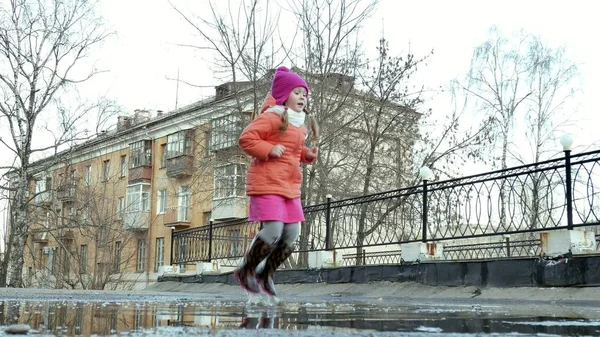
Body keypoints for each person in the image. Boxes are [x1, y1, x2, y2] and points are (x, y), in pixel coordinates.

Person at [235, 66, 319, 296]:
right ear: (284, 95)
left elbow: (294, 150)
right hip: (266, 182)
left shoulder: (299, 124)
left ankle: (267, 272)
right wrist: (269, 148)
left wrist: (305, 155)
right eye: (297, 92)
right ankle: (247, 270)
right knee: (273, 230)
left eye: (305, 93)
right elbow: (246, 139)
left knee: (292, 232)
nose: (302, 97)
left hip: (289, 186)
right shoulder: (272, 117)